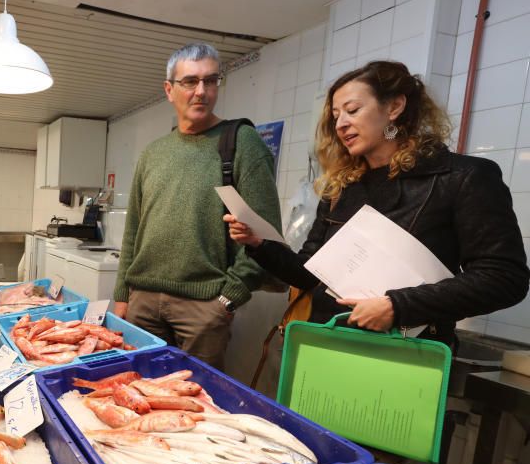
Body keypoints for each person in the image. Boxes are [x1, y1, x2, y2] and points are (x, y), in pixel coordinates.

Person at [226, 60, 529, 345]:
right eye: (335, 116)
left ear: (394, 107)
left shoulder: (462, 177)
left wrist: (397, 306)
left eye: (352, 110)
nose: (341, 124)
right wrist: (259, 245)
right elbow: (308, 274)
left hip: (404, 354)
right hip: (327, 342)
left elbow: (504, 279)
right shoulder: (341, 188)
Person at [112, 42, 282, 370]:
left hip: (203, 305)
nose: (201, 91)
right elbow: (134, 227)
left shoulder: (243, 142)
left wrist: (227, 299)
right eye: (190, 81)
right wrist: (123, 295)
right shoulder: (153, 153)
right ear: (169, 89)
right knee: (136, 394)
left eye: (211, 81)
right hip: (142, 302)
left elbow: (266, 233)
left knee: (195, 403)